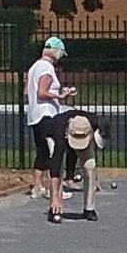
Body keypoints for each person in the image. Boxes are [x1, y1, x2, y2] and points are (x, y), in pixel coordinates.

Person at [24, 33, 77, 222]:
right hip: (47, 115)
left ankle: (38, 187)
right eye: (62, 53)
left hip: (34, 115)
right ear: (56, 52)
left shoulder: (34, 67)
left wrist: (56, 92)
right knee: (57, 150)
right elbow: (42, 92)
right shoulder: (47, 67)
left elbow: (28, 92)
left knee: (42, 151)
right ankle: (58, 191)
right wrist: (61, 96)